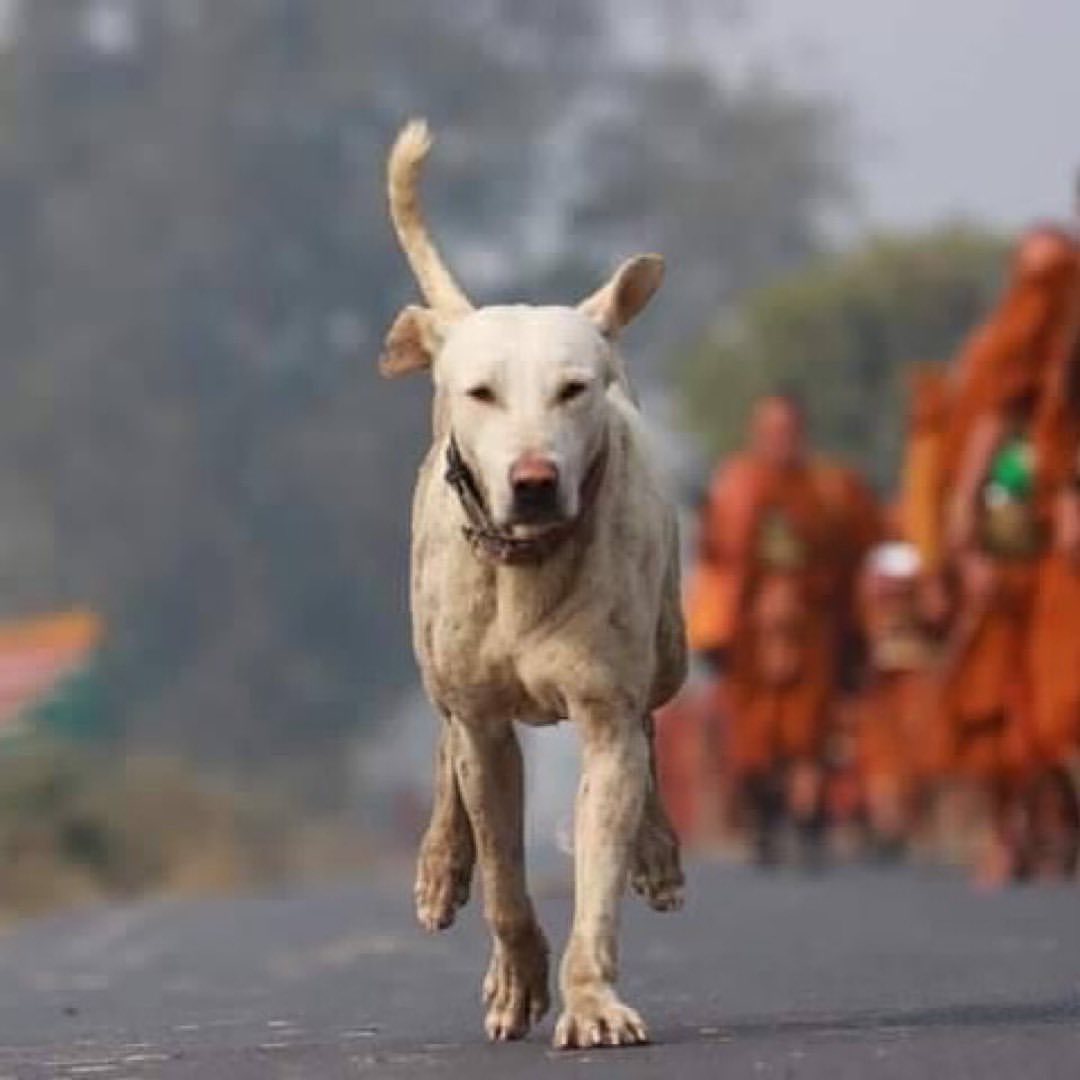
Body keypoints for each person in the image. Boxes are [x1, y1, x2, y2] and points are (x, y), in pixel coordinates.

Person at [940, 200, 1080, 882]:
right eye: (1033, 279)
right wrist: (965, 525)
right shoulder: (1004, 354)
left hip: (1062, 550)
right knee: (995, 698)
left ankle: (1056, 824)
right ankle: (1006, 830)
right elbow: (983, 429)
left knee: (1061, 697)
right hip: (1009, 546)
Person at [687, 393, 881, 866]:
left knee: (811, 729)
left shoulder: (831, 488)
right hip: (751, 629)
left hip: (814, 625)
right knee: (754, 733)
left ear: (802, 431)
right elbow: (716, 553)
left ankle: (809, 819)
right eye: (770, 430)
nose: (780, 440)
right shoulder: (737, 484)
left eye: (788, 430)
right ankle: (765, 815)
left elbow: (861, 546)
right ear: (756, 433)